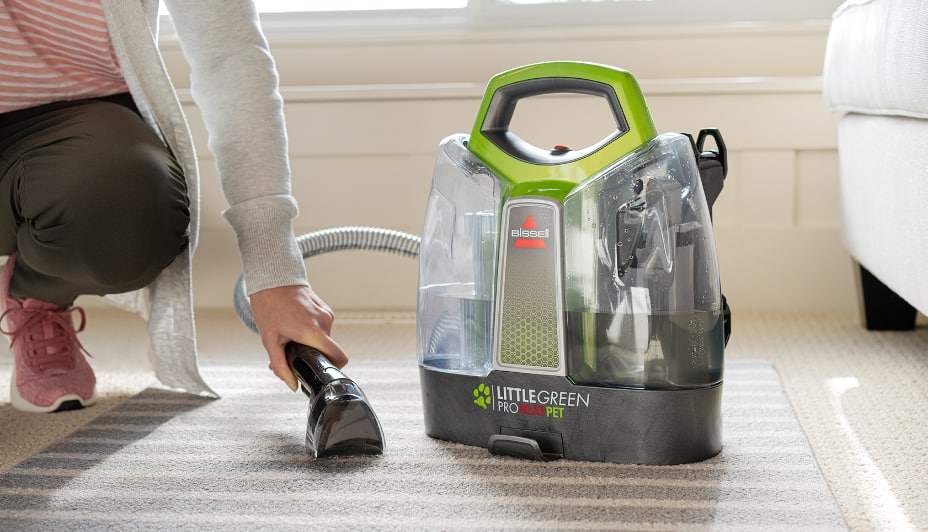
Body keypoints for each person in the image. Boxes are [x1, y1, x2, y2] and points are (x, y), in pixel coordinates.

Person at [0, 0, 347, 413]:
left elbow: (229, 56)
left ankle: (38, 292)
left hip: (79, 124)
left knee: (123, 207)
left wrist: (275, 273)